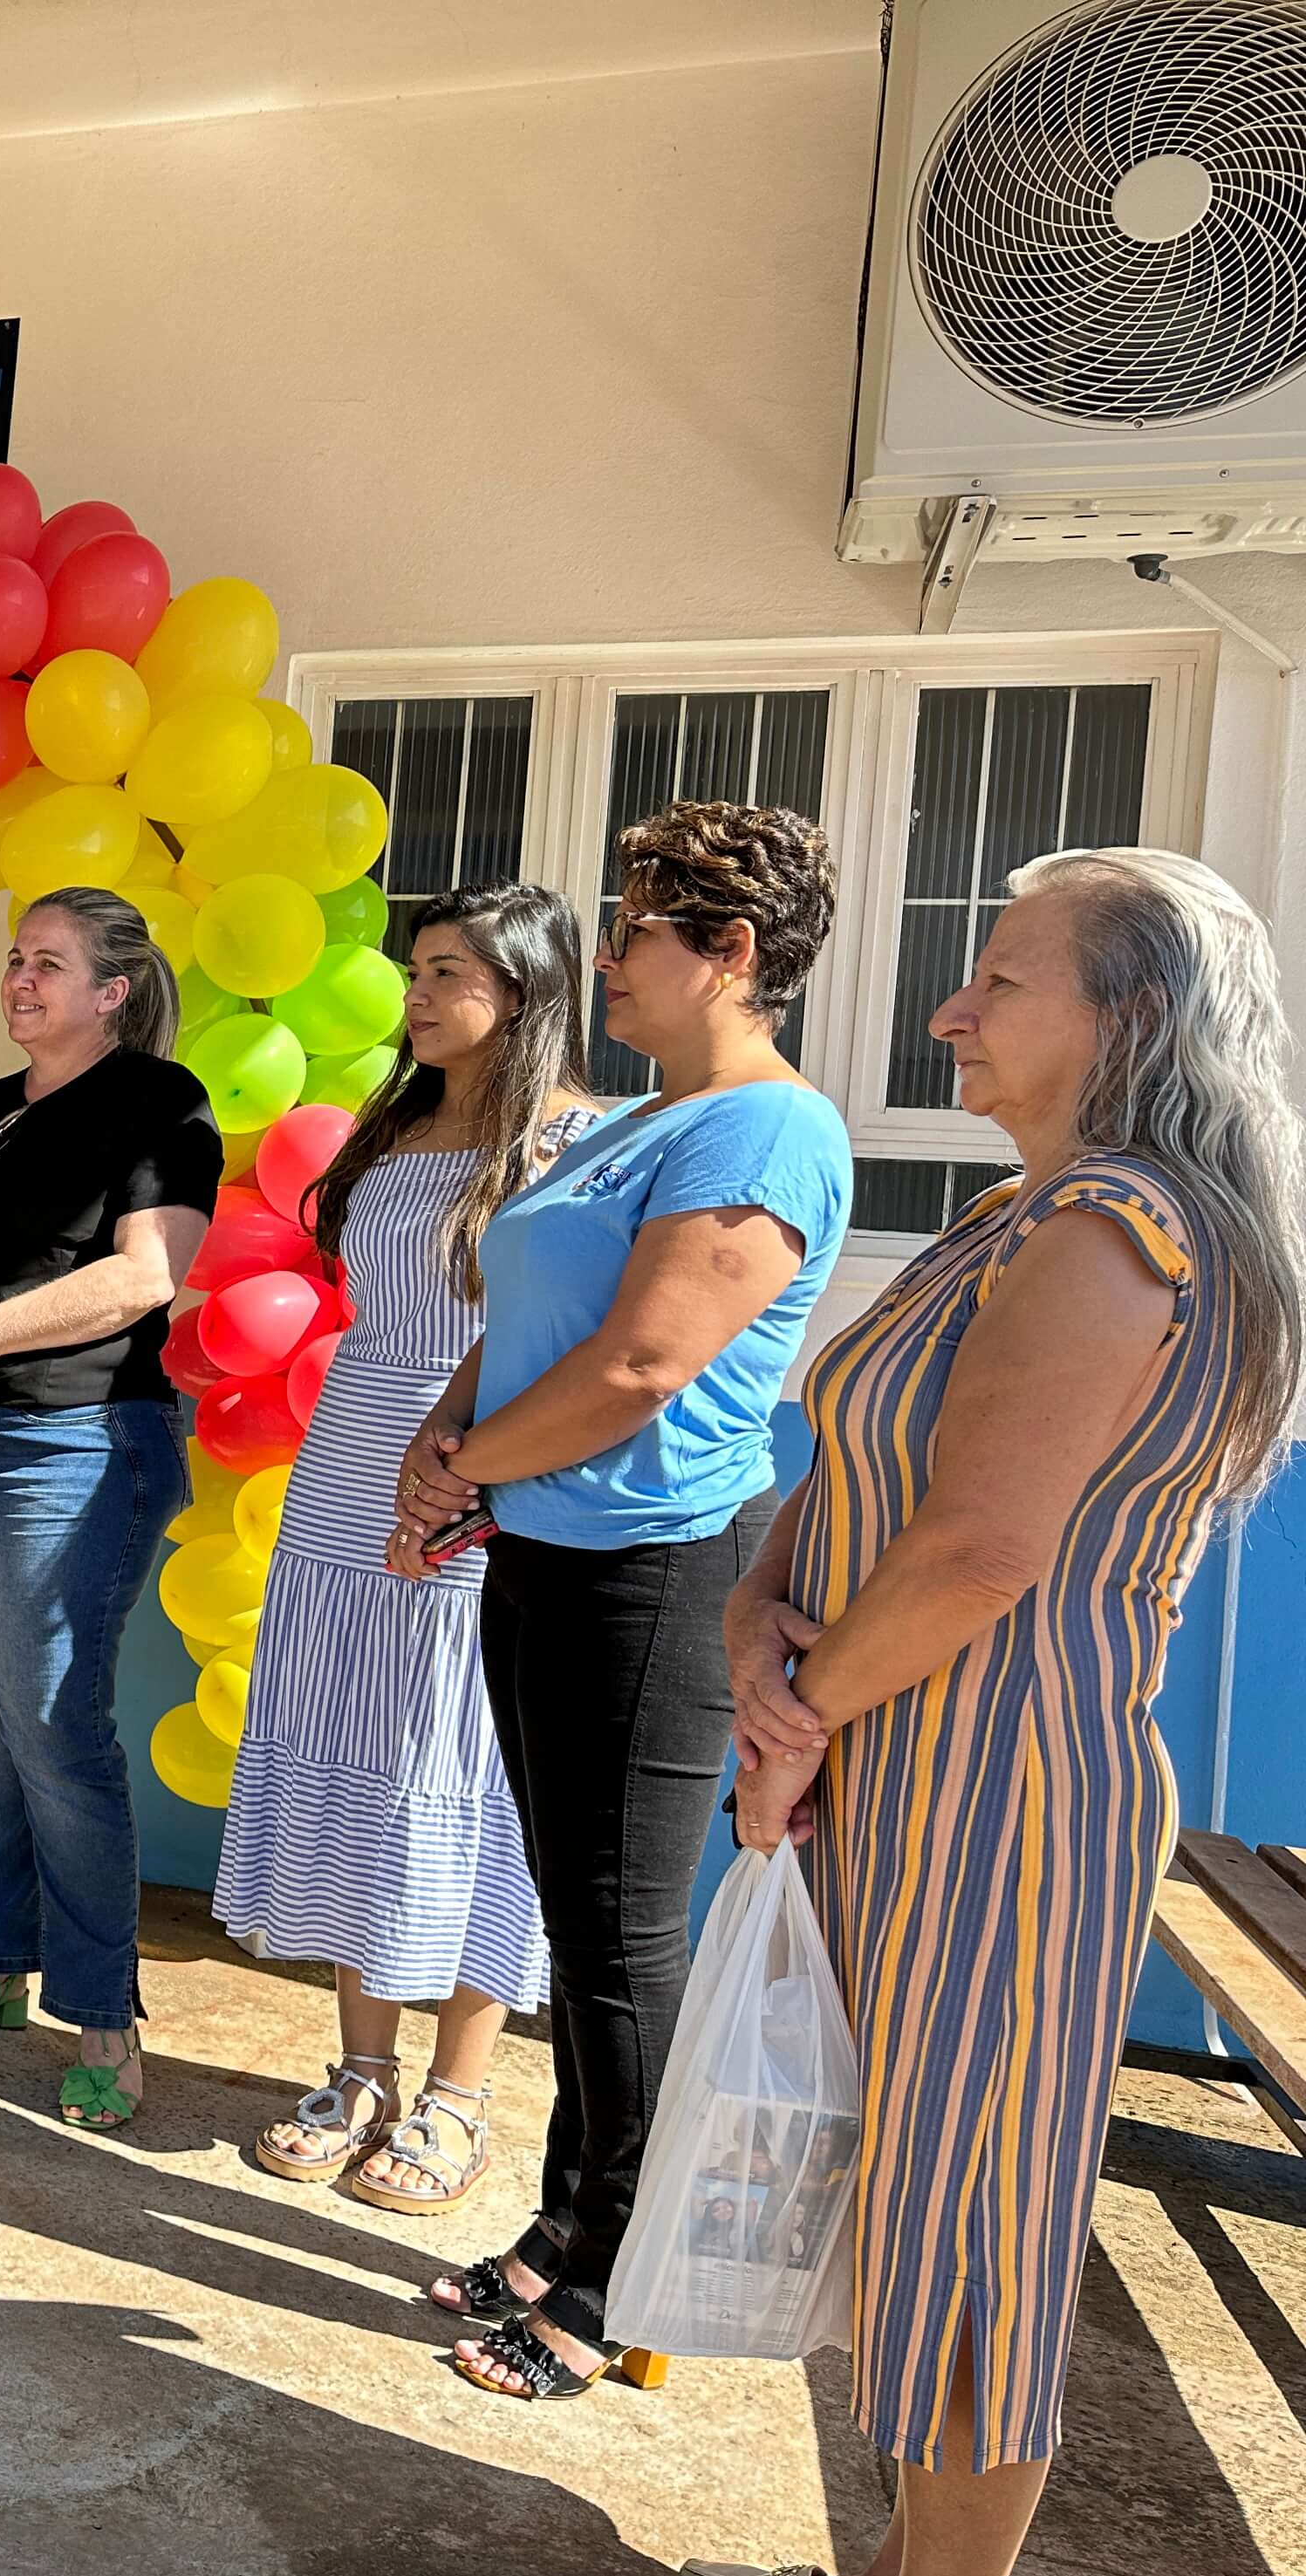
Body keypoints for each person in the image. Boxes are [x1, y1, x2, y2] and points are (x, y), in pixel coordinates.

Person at [680, 850, 1305, 2576]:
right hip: (906, 1753)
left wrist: (794, 1717)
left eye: (1003, 980)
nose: (950, 1010)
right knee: (912, 2186)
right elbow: (859, 1477)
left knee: (968, 2205)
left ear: (1134, 1016)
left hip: (995, 1785)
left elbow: (978, 1547)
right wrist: (758, 1616)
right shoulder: (1016, 1215)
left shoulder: (1116, 1230)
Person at [388, 801, 851, 2401]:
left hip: (649, 1569)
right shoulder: (637, 1120)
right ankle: (563, 2228)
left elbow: (641, 1364)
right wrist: (445, 1439)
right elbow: (525, 1312)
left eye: (637, 930)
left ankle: (610, 2285)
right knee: (575, 1913)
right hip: (542, 1547)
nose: (608, 961)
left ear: (729, 951)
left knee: (616, 1935)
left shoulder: (766, 1133)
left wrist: (463, 1468)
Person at [215, 882, 594, 2210]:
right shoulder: (396, 1126)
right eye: (415, 970)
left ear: (525, 988)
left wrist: (464, 1473)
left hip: (483, 1479)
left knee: (462, 1761)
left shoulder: (580, 1144)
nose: (417, 997)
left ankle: (460, 2092)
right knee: (355, 1743)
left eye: (448, 974)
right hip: (345, 1471)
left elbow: (576, 1338)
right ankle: (361, 2070)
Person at [0, 889, 215, 2128]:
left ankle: (104, 2017)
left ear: (113, 992)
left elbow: (144, 1276)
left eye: (48, 964)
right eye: (16, 959)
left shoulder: (158, 1105)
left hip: (71, 1447)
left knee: (57, 1729)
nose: (19, 979)